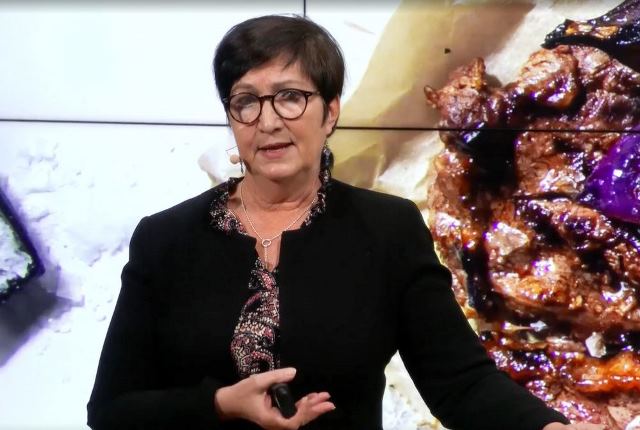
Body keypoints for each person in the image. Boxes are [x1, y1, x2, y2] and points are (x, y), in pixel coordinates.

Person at [87, 14, 601, 430]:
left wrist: (548, 429)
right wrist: (219, 404)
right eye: (246, 102)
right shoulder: (165, 239)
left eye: (291, 97)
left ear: (330, 112)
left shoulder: (388, 229)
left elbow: (460, 383)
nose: (269, 121)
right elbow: (111, 410)